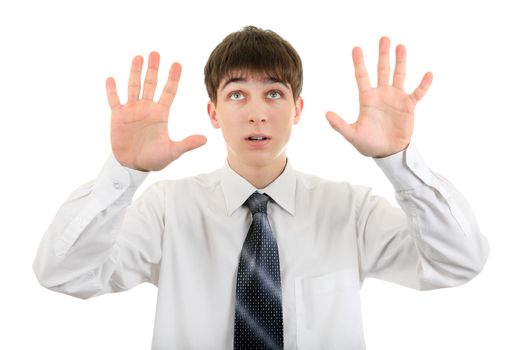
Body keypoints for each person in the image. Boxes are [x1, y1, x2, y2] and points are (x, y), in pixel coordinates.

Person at [33, 26, 489, 349]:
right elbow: (62, 273)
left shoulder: (350, 210)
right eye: (236, 94)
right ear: (213, 113)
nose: (257, 113)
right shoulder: (168, 209)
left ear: (297, 108)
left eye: (273, 93)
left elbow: (459, 262)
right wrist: (123, 173)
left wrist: (399, 162)